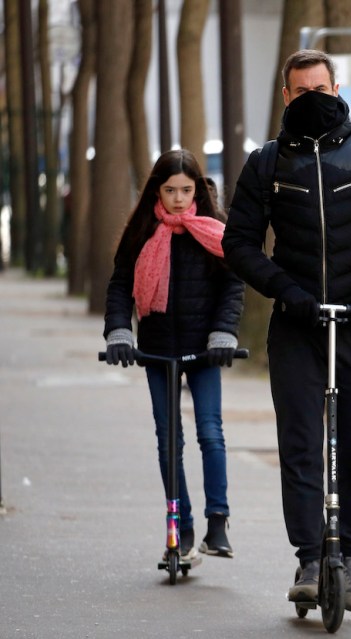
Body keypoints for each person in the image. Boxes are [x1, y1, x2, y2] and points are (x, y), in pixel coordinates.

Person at [221, 49, 351, 613]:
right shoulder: (267, 164)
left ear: (337, 88)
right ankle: (310, 556)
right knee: (302, 445)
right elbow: (238, 243)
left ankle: (348, 556)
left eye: (321, 89)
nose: (313, 99)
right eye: (302, 91)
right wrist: (288, 292)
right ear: (286, 97)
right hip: (298, 324)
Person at [103, 149, 245, 561]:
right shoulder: (143, 231)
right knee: (169, 440)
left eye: (186, 189)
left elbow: (233, 285)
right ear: (157, 191)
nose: (179, 199)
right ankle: (180, 529)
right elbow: (119, 285)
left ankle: (217, 523)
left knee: (210, 431)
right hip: (158, 347)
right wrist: (118, 331)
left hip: (204, 349)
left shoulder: (215, 230)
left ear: (197, 188)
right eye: (170, 190)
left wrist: (224, 332)